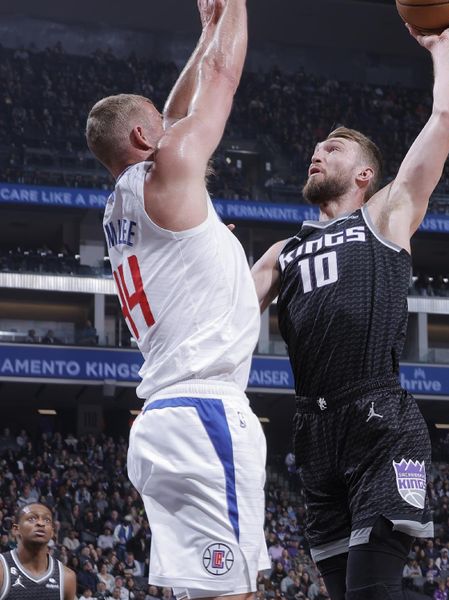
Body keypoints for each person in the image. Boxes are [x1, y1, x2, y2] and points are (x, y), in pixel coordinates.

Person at [250, 4, 449, 599]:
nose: (317, 152)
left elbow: (447, 114)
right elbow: (222, 317)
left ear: (365, 173)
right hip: (313, 428)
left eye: (334, 148)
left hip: (379, 418)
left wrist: (441, 46)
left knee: (371, 593)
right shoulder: (282, 251)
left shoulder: (388, 212)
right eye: (317, 147)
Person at [84, 1, 268, 599]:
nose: (175, 129)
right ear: (144, 139)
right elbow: (219, 81)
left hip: (166, 418)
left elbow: (173, 110)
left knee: (203, 592)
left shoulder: (124, 204)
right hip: (205, 414)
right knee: (236, 592)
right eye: (161, 129)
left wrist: (210, 31)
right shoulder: (167, 174)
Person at [0, 503, 77, 600]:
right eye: (32, 518)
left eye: (47, 520)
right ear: (16, 529)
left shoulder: (67, 577)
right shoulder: (2, 569)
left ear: (52, 532)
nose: (41, 523)